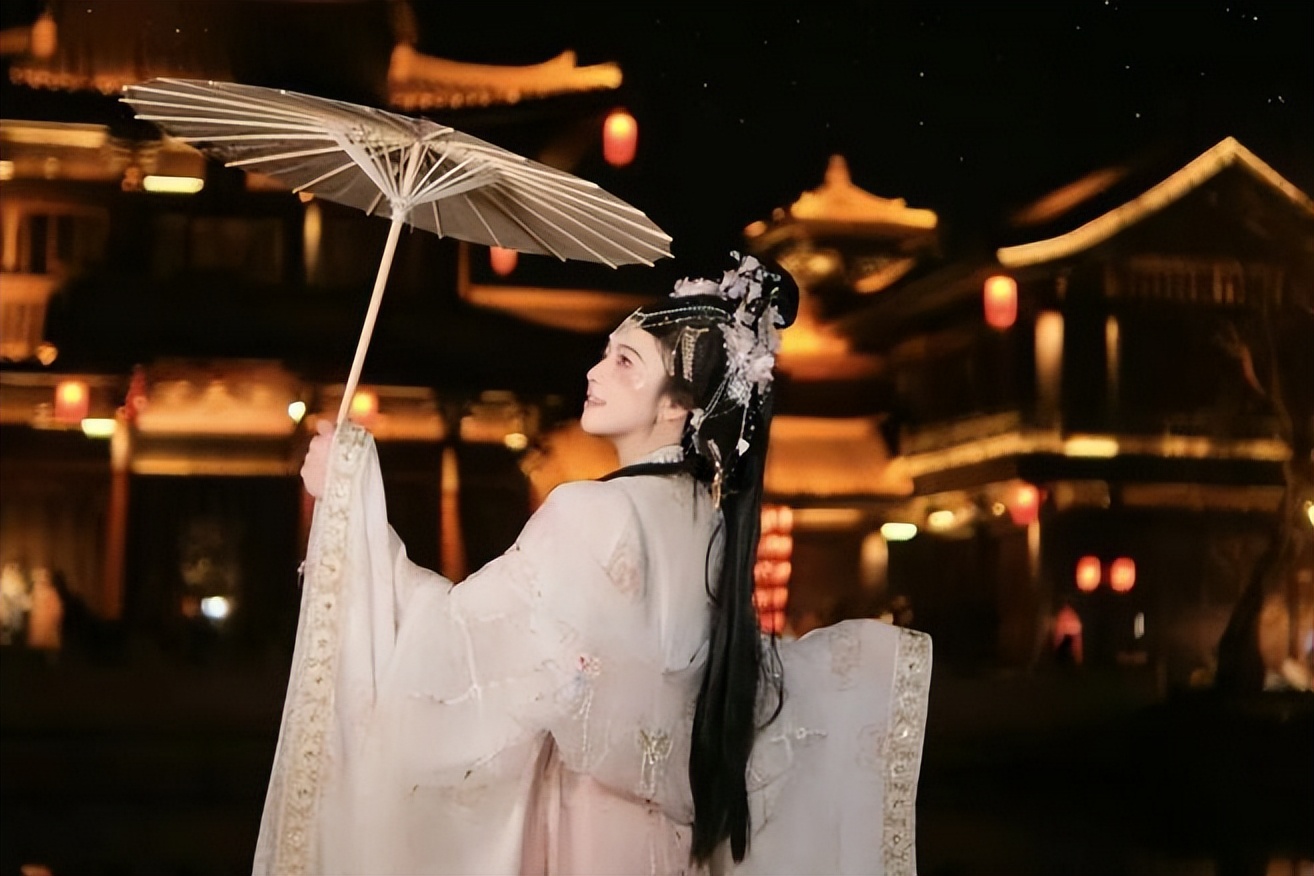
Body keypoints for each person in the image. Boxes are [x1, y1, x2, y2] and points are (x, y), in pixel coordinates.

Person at [254, 253, 932, 876]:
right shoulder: (709, 523)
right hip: (674, 845)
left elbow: (452, 652)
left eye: (625, 362)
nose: (595, 372)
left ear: (680, 405)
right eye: (606, 354)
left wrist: (348, 506)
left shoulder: (590, 511)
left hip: (585, 836)